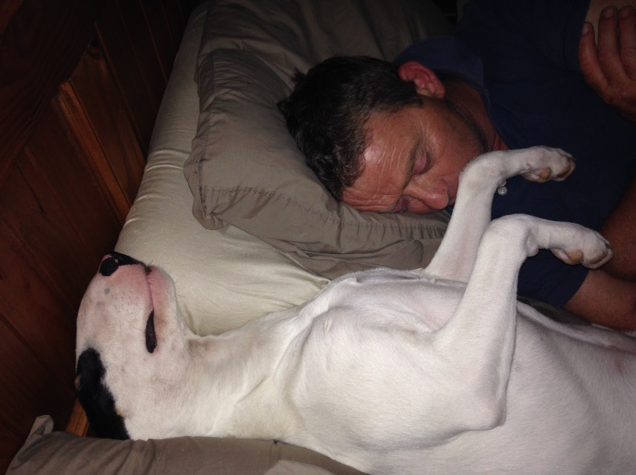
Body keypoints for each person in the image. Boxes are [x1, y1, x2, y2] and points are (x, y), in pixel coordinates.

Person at [278, 0, 636, 330]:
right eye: (403, 204)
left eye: (421, 162)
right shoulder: (482, 238)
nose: (437, 199)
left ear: (422, 82)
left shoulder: (508, 22)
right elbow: (625, 308)